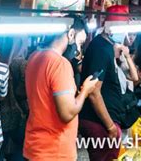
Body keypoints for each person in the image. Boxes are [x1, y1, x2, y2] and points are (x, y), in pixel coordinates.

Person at [23, 17, 98, 161]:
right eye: (80, 43)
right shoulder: (60, 64)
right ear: (70, 35)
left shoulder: (34, 57)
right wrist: (85, 91)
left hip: (33, 146)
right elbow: (67, 113)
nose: (78, 50)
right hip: (54, 151)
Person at [79, 6, 140, 161]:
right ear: (110, 27)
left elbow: (133, 77)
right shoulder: (101, 49)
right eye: (122, 27)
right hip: (99, 123)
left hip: (106, 121)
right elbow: (93, 91)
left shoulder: (108, 48)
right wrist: (110, 127)